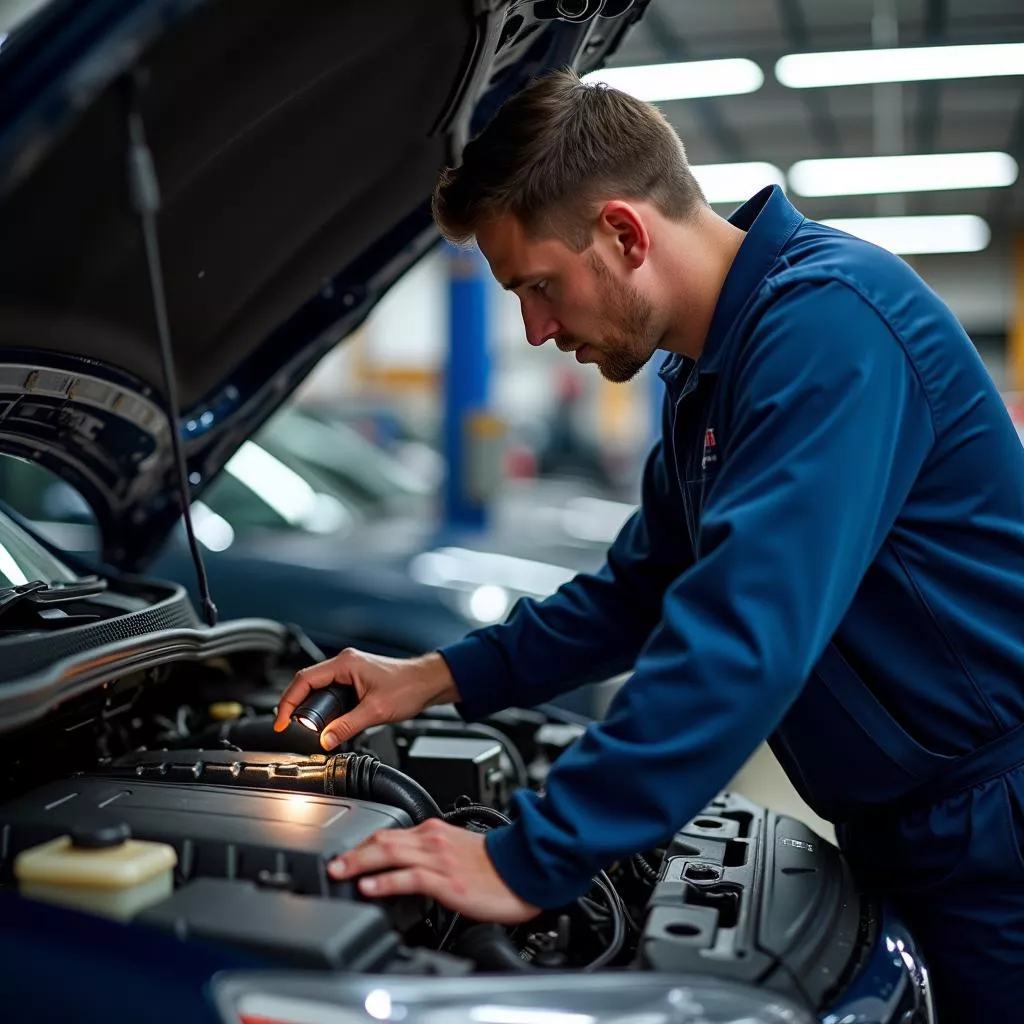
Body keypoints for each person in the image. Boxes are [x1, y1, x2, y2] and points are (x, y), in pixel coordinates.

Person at [274, 69, 1024, 1021]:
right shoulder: (708, 375)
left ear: (625, 233)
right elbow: (638, 593)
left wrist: (530, 859)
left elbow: (744, 633)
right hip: (905, 824)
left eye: (538, 286)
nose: (536, 328)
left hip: (995, 831)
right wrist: (433, 675)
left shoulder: (831, 326)